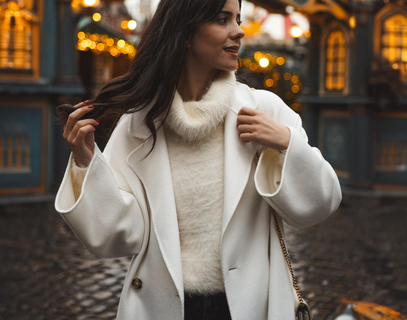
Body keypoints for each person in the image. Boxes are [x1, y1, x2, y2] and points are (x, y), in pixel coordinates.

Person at [55, 0, 342, 319]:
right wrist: (85, 162)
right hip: (163, 307)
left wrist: (286, 145)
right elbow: (116, 237)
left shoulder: (264, 111)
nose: (239, 31)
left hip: (251, 305)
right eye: (223, 20)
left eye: (237, 19)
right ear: (186, 32)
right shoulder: (139, 124)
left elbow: (320, 205)